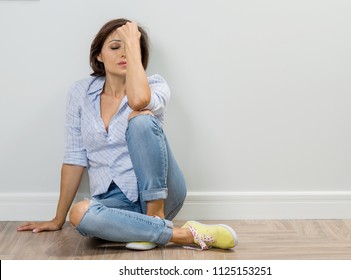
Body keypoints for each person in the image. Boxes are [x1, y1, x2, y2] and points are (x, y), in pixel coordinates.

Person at [17, 18, 237, 251]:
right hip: (115, 201)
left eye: (131, 49)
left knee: (140, 118)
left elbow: (139, 101)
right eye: (115, 47)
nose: (123, 54)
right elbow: (74, 158)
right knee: (80, 213)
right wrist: (57, 219)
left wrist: (134, 42)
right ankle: (183, 234)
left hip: (163, 192)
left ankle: (155, 214)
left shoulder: (155, 85)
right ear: (98, 55)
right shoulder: (80, 93)